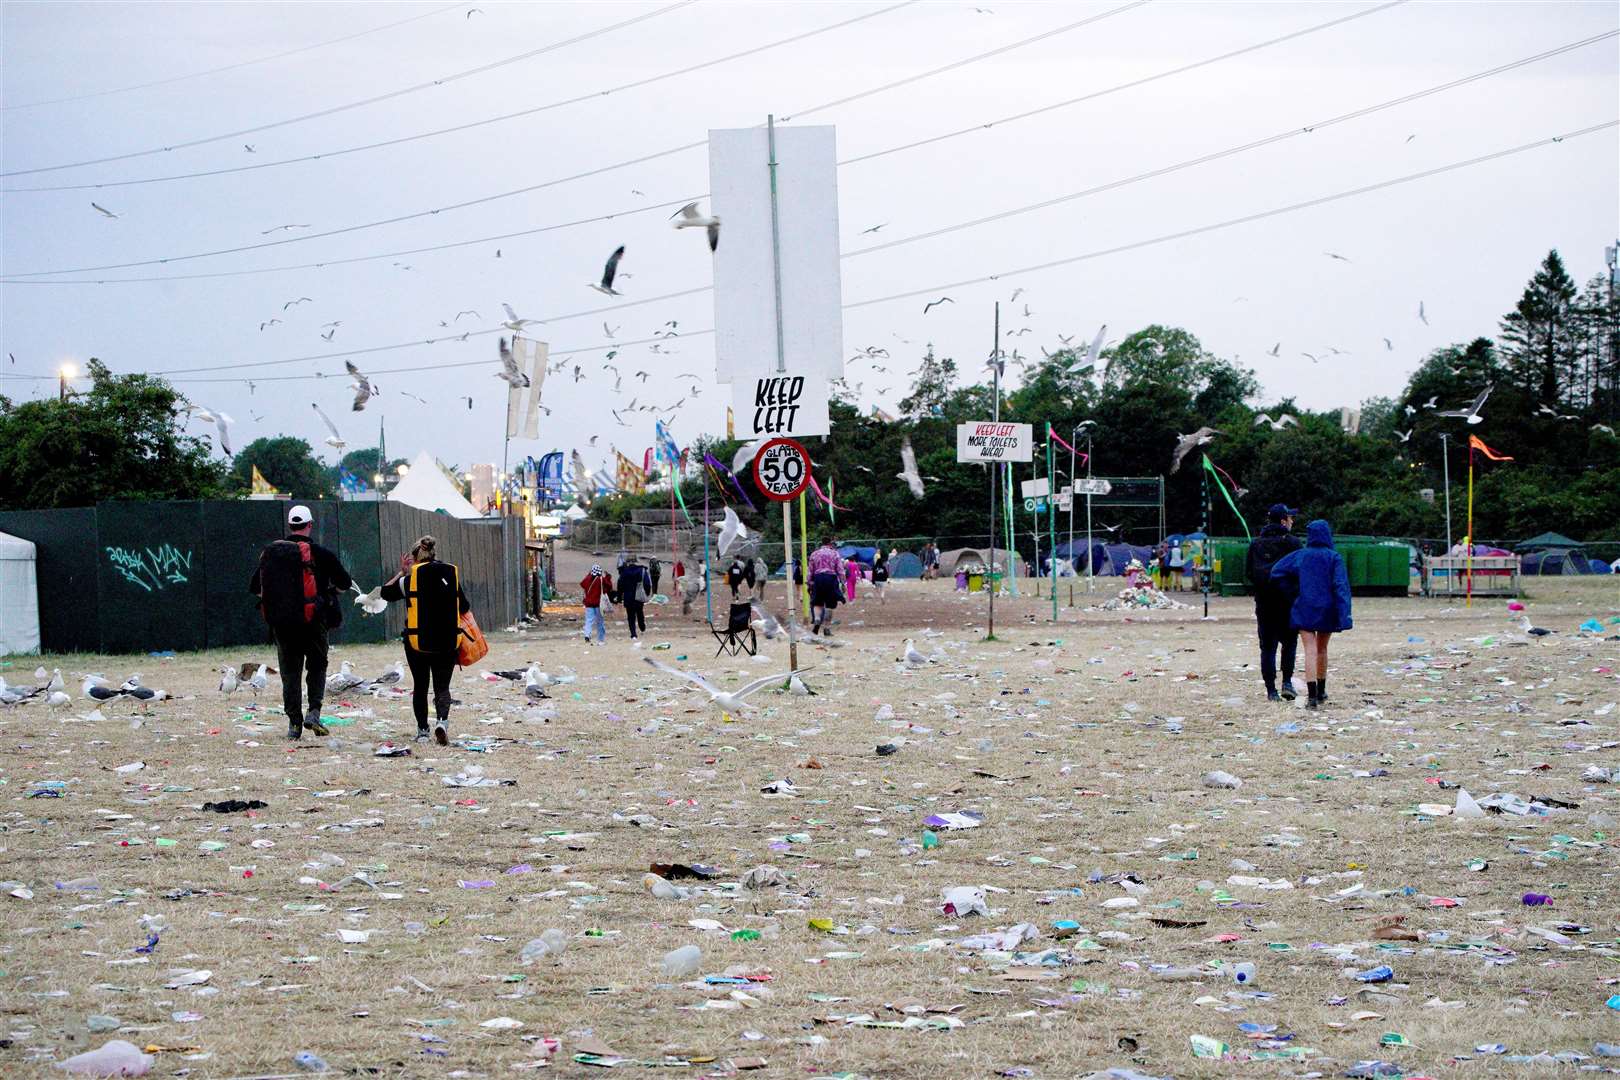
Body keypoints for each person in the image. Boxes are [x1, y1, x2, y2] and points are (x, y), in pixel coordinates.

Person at [249, 504, 353, 741]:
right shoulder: (321, 553)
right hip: (314, 621)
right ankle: (313, 713)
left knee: (290, 672)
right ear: (310, 525)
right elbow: (345, 583)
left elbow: (256, 588)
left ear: (290, 526)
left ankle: (294, 724)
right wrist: (328, 593)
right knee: (317, 666)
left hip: (282, 623)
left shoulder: (273, 554)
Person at [379, 536, 469, 743]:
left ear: (414, 557)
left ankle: (422, 731)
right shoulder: (450, 574)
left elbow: (384, 593)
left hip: (417, 642)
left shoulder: (409, 580)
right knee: (442, 687)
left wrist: (402, 572)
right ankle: (442, 722)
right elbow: (464, 606)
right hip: (448, 641)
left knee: (420, 686)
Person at [1270, 519, 1352, 709]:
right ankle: (1322, 690)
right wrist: (1344, 613)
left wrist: (1293, 592)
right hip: (1327, 608)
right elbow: (1341, 586)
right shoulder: (1334, 557)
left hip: (1305, 606)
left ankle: (1312, 697)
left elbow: (1277, 572)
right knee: (1322, 649)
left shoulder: (1301, 555)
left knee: (1309, 649)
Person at [1245, 504, 1303, 702]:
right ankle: (1287, 682)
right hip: (1287, 603)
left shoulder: (1255, 544)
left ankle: (1271, 691)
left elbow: (1248, 573)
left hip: (1264, 603)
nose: (1292, 521)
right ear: (1282, 521)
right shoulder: (1293, 543)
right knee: (1289, 643)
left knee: (1267, 647)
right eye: (1290, 518)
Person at [807, 536, 843, 635]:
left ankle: (817, 619)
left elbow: (810, 571)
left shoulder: (814, 554)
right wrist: (843, 582)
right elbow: (840, 569)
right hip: (831, 578)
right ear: (830, 544)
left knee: (817, 602)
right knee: (830, 604)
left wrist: (809, 583)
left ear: (821, 543)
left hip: (818, 578)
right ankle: (826, 628)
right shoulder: (835, 553)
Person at [617, 554, 650, 641]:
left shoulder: (623, 572)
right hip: (639, 596)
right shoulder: (642, 570)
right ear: (636, 561)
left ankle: (633, 634)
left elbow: (620, 585)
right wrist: (647, 592)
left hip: (628, 597)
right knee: (639, 612)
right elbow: (647, 583)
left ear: (627, 562)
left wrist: (619, 598)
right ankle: (642, 626)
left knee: (630, 616)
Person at [580, 563, 614, 643]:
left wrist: (589, 574)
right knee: (600, 622)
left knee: (588, 621)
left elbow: (582, 584)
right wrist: (608, 577)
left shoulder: (588, 579)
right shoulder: (601, 579)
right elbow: (609, 587)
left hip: (588, 604)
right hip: (599, 604)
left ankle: (587, 635)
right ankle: (600, 639)